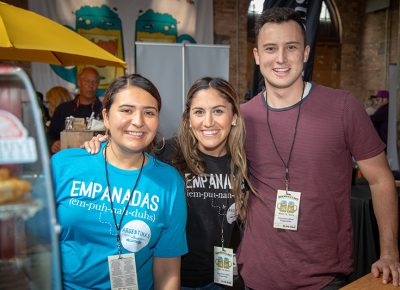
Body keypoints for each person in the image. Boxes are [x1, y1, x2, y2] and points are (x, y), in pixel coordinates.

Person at [236, 7, 399, 290]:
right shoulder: (242, 117)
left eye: (291, 47)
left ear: (306, 52)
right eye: (271, 48)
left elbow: (381, 179)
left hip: (324, 277)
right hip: (257, 275)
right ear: (257, 56)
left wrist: (389, 252)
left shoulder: (343, 107)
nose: (281, 58)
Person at [83, 77, 252, 289]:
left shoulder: (243, 162)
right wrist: (103, 142)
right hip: (171, 278)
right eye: (199, 112)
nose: (208, 121)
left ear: (234, 117)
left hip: (222, 278)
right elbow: (128, 153)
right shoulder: (167, 154)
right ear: (188, 118)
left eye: (218, 111)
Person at [51, 74, 188, 290]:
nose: (138, 121)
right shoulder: (63, 166)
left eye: (149, 112)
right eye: (126, 110)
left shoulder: (169, 183)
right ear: (106, 116)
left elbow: (167, 271)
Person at [48, 67, 102, 154]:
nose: (91, 85)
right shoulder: (63, 109)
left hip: (95, 161)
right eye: (87, 81)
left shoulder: (104, 111)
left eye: (94, 82)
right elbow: (51, 135)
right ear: (79, 82)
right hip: (68, 161)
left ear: (98, 84)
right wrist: (53, 144)